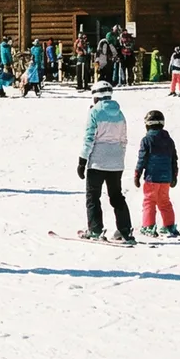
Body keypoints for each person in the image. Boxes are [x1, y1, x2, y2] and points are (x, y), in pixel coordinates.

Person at [78, 80, 133, 242]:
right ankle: (125, 230)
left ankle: (95, 229)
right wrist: (119, 158)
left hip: (97, 162)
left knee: (93, 197)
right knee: (116, 196)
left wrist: (82, 160)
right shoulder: (120, 113)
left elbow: (89, 138)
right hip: (116, 163)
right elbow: (124, 139)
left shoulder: (94, 112)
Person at [134, 109, 180, 237]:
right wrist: (174, 176)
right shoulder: (169, 140)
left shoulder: (146, 140)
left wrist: (137, 174)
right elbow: (173, 159)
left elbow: (142, 158)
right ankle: (169, 225)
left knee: (149, 201)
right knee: (164, 201)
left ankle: (148, 226)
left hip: (152, 178)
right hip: (166, 178)